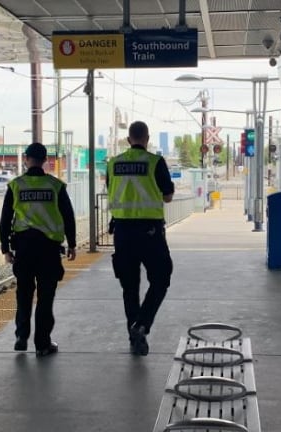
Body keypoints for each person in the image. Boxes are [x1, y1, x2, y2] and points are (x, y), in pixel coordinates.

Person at [0, 142, 77, 357]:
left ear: (26, 158)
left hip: (24, 248)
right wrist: (72, 244)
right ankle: (42, 344)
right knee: (46, 296)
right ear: (45, 160)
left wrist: (5, 248)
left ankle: (21, 336)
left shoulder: (16, 185)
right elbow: (68, 217)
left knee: (23, 293)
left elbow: (5, 220)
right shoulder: (56, 186)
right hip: (48, 249)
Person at [107, 121, 174, 356]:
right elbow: (167, 196)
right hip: (149, 232)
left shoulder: (113, 163)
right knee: (161, 278)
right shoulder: (155, 162)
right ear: (147, 138)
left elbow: (111, 190)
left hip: (122, 233)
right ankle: (142, 325)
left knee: (129, 287)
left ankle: (135, 337)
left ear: (128, 139)